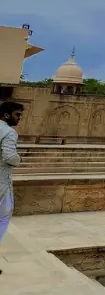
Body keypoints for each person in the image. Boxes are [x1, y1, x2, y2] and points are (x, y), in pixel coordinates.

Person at [0, 101, 23, 274]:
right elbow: (9, 155)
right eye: (17, 115)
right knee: (3, 218)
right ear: (6, 115)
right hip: (1, 183)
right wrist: (18, 159)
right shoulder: (9, 132)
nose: (20, 118)